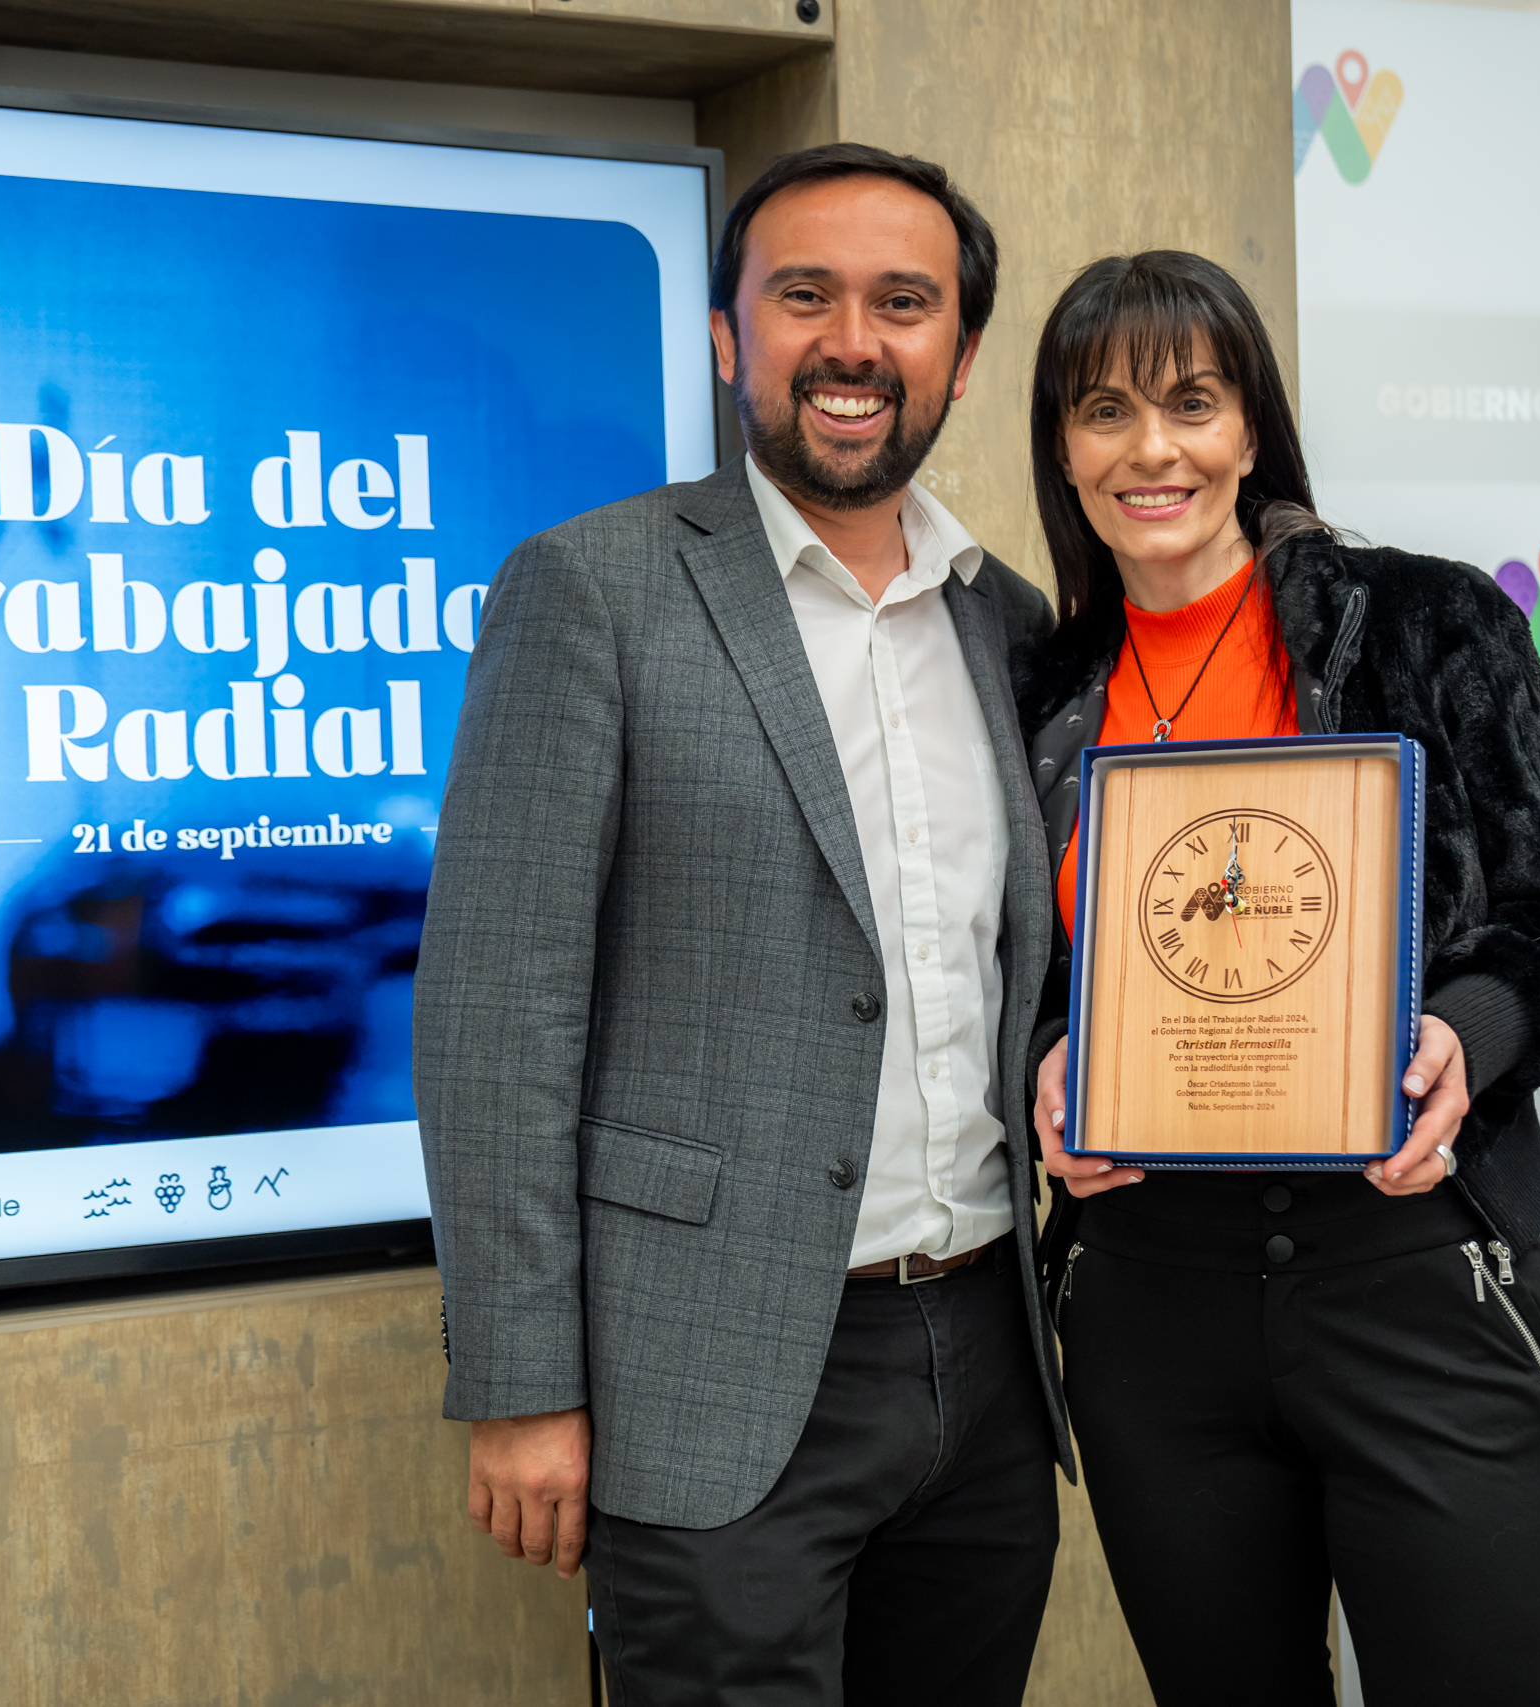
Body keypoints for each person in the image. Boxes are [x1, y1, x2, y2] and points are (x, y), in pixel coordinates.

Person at [413, 143, 1069, 1706]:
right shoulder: (593, 589)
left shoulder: (1011, 621)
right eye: (805, 297)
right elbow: (495, 1018)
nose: (854, 342)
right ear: (728, 336)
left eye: (903, 303)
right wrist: (521, 1384)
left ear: (963, 351)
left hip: (988, 1364)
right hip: (710, 1372)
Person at [1016, 251, 1540, 1707]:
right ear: (1062, 448)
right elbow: (1016, 973)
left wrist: (1467, 1031)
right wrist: (1050, 1057)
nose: (1152, 449)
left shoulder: (1423, 624)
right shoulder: (1041, 688)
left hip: (1411, 1270)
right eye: (1104, 411)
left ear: (1252, 429)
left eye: (1192, 403)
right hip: (1149, 1299)